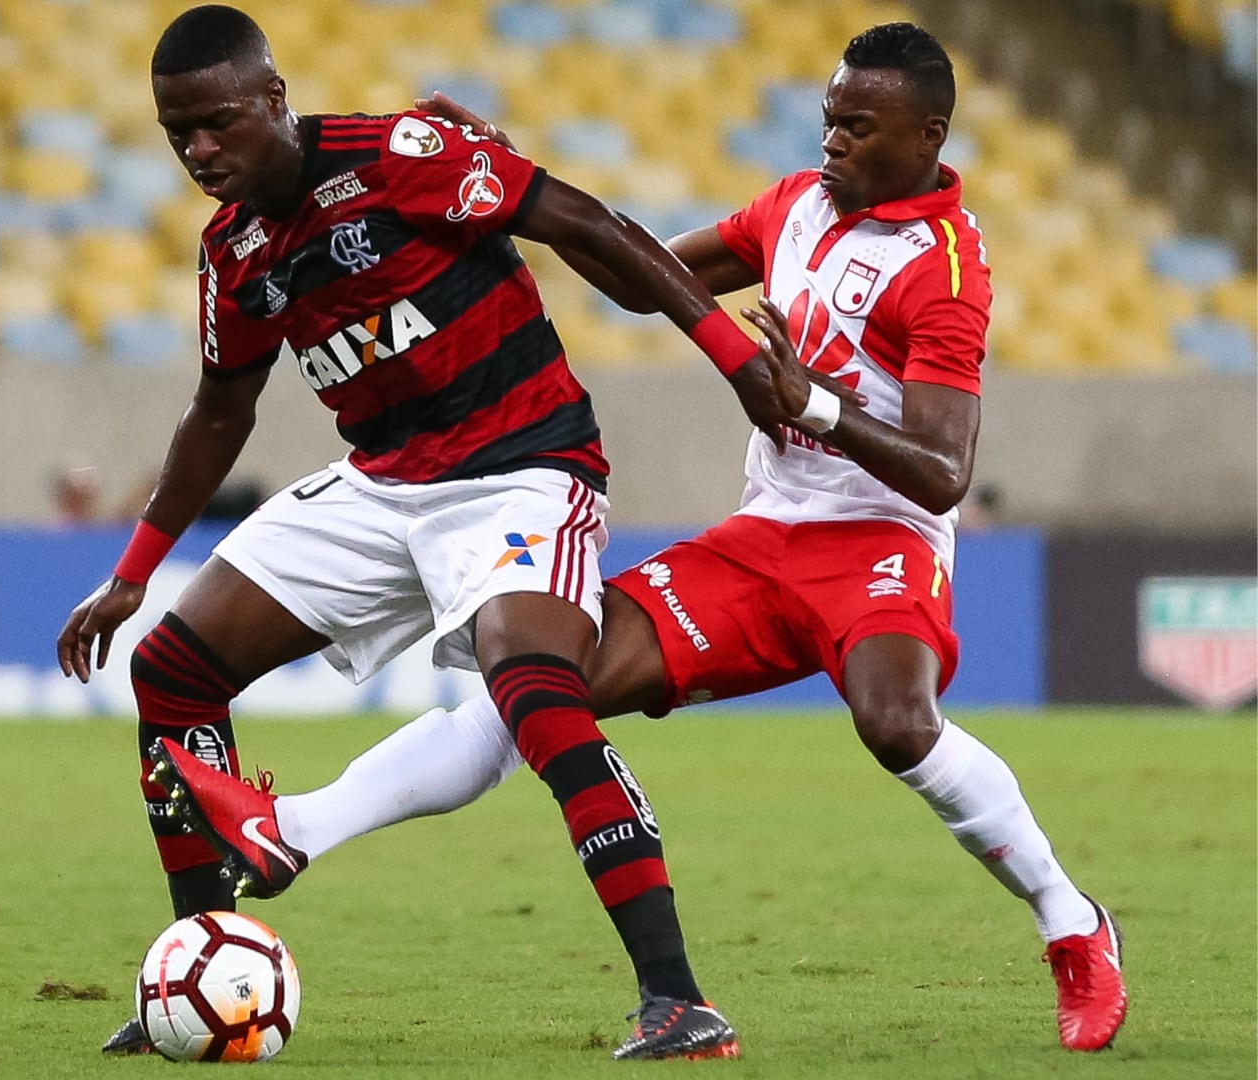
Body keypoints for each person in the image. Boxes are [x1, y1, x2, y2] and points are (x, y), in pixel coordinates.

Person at [158, 22, 1129, 1056]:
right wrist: (504, 167)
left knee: (894, 723)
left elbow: (944, 473)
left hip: (879, 540)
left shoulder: (945, 267)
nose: (832, 142)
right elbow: (632, 271)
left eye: (858, 126)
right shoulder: (793, 207)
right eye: (828, 119)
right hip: (761, 542)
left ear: (928, 134)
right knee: (534, 688)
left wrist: (822, 408)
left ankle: (1073, 926)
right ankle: (293, 831)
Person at [54, 4, 853, 1062]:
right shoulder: (236, 250)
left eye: (217, 123)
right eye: (177, 134)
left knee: (531, 683)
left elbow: (593, 228)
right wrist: (132, 573)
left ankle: (677, 1000)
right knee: (172, 668)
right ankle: (203, 967)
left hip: (523, 472)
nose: (200, 151)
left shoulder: (402, 158)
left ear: (274, 100)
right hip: (385, 486)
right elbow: (218, 412)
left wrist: (739, 363)